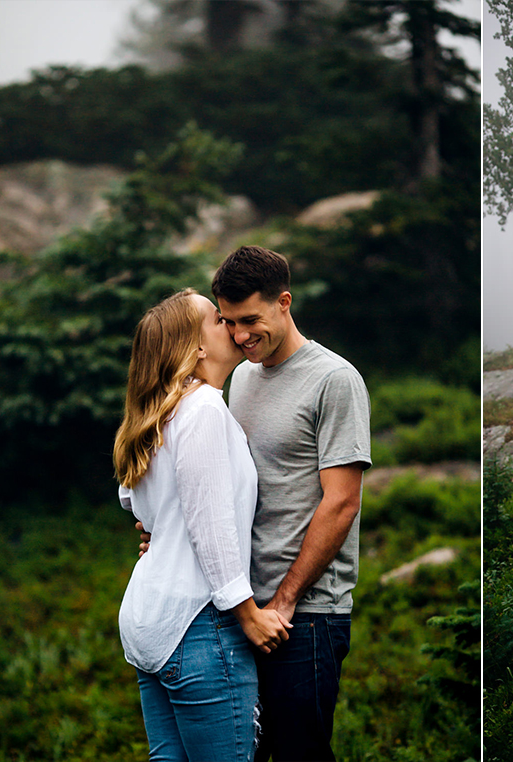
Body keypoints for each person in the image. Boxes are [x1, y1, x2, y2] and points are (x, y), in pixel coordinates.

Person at [114, 289, 291, 762]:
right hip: (199, 625)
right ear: (196, 347)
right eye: (218, 319)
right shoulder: (205, 411)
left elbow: (133, 502)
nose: (232, 326)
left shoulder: (158, 417)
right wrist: (248, 614)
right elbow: (210, 527)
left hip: (149, 618)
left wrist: (160, 532)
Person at [214, 245, 372, 762]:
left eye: (250, 320)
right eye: (228, 322)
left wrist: (285, 600)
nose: (239, 336)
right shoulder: (240, 377)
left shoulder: (334, 379)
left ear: (284, 302)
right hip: (243, 607)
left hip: (306, 615)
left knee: (300, 753)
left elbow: (342, 503)